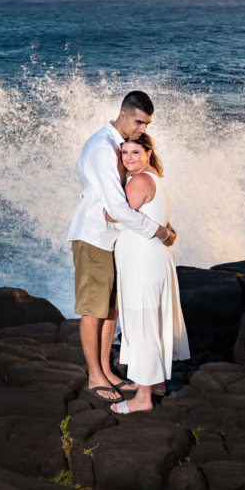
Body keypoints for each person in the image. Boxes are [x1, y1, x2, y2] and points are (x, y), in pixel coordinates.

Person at [66, 91, 176, 404]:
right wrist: (158, 231)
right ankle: (95, 375)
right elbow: (116, 205)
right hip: (94, 236)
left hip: (113, 237)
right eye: (139, 122)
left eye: (147, 124)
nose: (142, 129)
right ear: (123, 114)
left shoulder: (117, 145)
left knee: (111, 307)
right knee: (93, 308)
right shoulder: (103, 147)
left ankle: (107, 371)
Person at [111, 133, 190, 414]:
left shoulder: (141, 180)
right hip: (149, 258)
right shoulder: (151, 176)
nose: (128, 158)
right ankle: (155, 383)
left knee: (144, 322)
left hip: (144, 261)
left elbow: (114, 214)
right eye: (124, 154)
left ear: (147, 152)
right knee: (150, 321)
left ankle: (143, 398)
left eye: (135, 152)